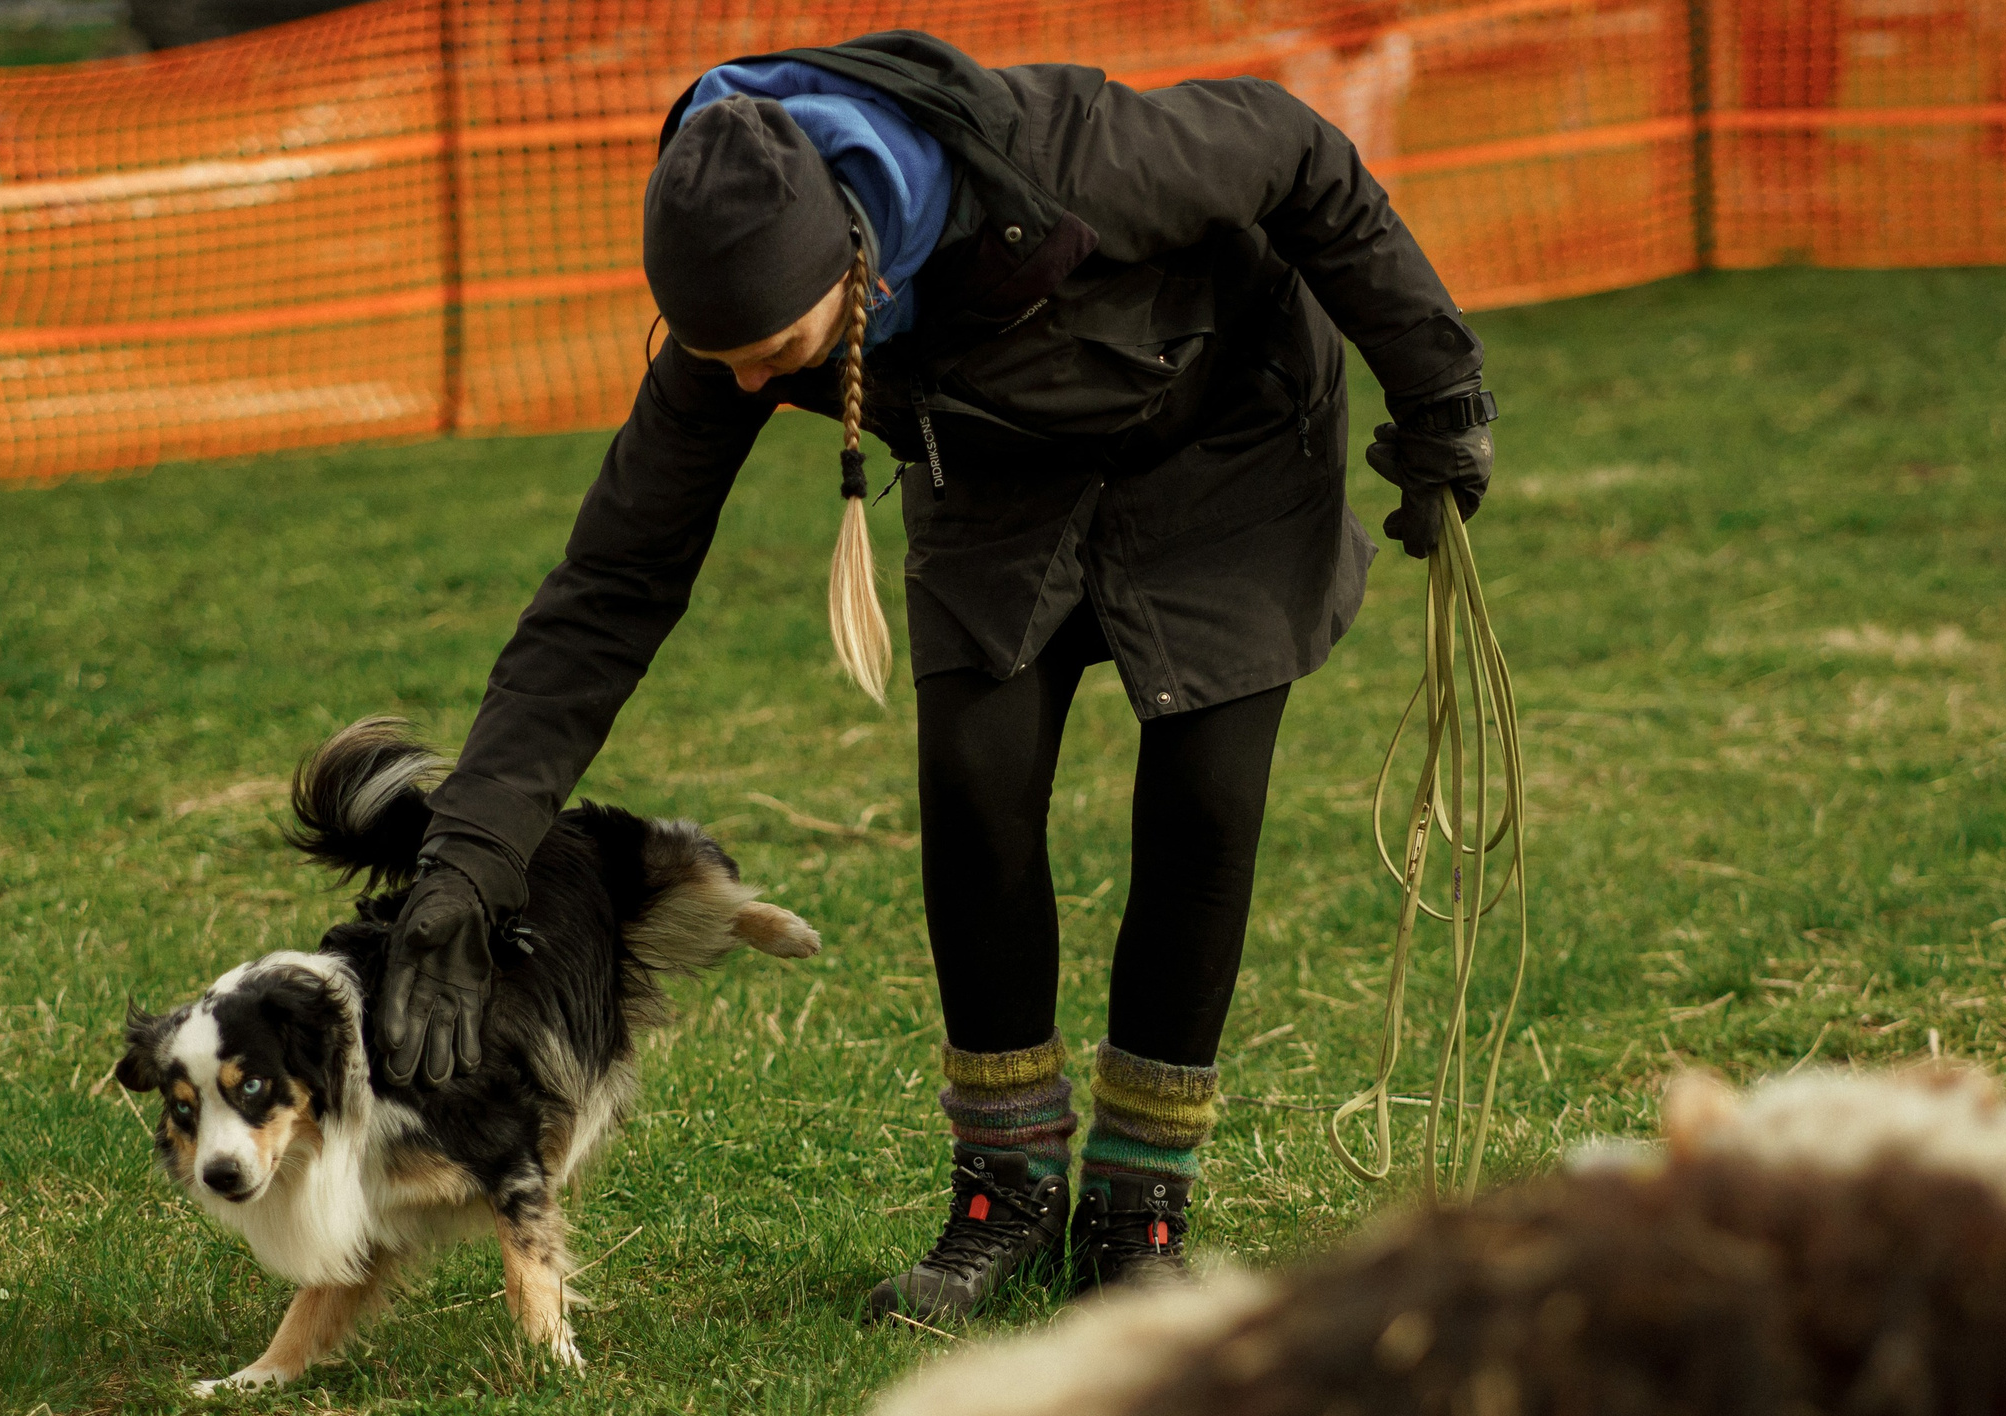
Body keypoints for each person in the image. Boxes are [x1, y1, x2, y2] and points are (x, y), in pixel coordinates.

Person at [372, 30, 1496, 1322]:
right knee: (976, 776)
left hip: (1225, 434)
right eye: (720, 356)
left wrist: (1439, 386)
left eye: (773, 349)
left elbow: (1301, 154)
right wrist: (468, 864)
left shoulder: (1074, 161)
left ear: (858, 259)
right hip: (990, 471)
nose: (746, 382)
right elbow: (609, 591)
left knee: (1206, 793)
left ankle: (1141, 1205)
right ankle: (1002, 1192)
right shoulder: (744, 318)